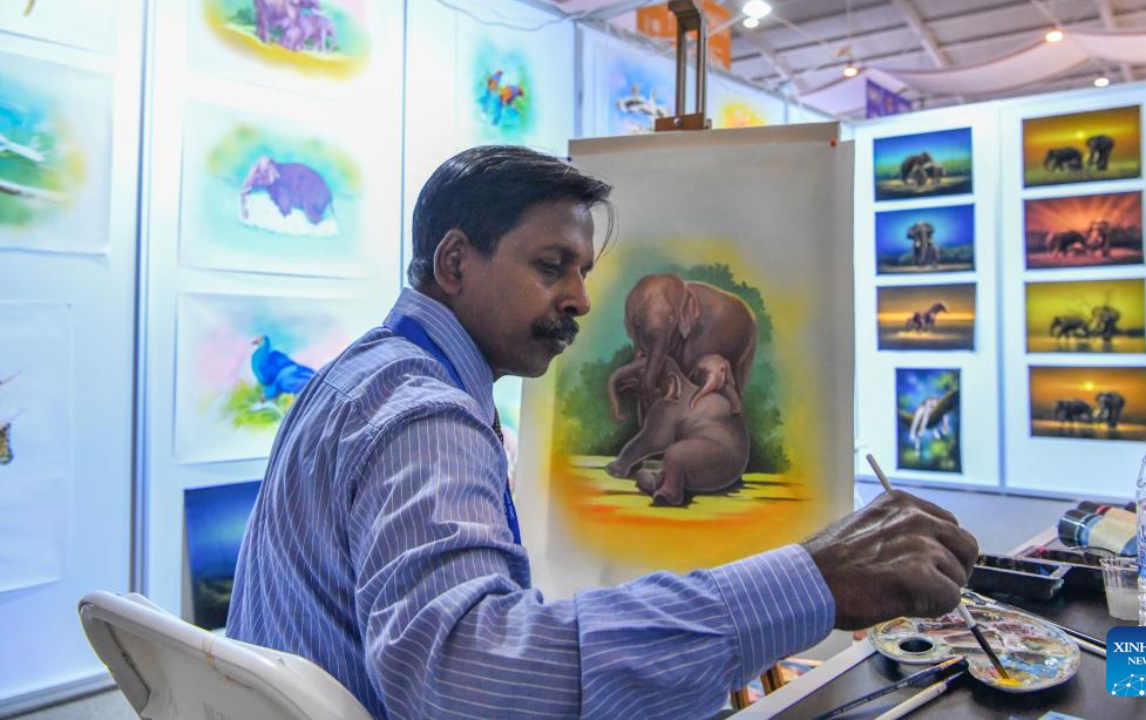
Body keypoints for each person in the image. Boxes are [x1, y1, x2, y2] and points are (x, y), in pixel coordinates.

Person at [227, 146, 979, 718]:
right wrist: (809, 580)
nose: (582, 300)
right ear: (455, 262)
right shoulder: (426, 413)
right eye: (553, 265)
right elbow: (469, 677)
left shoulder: (357, 373)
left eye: (583, 271)